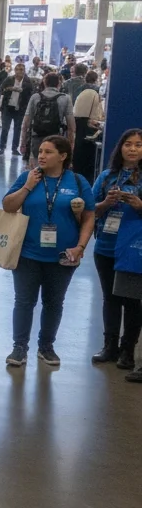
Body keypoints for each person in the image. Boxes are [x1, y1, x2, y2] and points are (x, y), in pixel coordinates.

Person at [1, 136, 95, 368]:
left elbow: (90, 216)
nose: (41, 156)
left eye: (48, 152)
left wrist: (80, 247)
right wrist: (27, 187)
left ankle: (47, 346)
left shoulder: (78, 182)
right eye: (40, 151)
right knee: (24, 301)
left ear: (63, 156)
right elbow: (8, 205)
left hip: (63, 256)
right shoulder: (28, 177)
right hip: (27, 254)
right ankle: (19, 346)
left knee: (54, 302)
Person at [90, 130, 142, 377]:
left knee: (132, 300)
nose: (132, 149)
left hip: (134, 250)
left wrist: (140, 205)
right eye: (128, 144)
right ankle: (109, 345)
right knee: (110, 298)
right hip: (106, 246)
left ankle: (127, 349)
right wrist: (105, 203)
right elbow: (90, 211)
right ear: (120, 147)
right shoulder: (106, 176)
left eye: (139, 145)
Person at [21, 73, 74, 170]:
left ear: (44, 83)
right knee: (54, 170)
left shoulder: (35, 97)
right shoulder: (65, 98)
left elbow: (26, 123)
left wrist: (23, 143)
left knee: (35, 171)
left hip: (36, 139)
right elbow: (71, 126)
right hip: (56, 139)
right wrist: (71, 146)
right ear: (59, 83)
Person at [73, 71, 105, 181]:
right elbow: (96, 113)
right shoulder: (95, 91)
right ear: (96, 79)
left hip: (78, 124)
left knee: (78, 153)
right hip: (89, 128)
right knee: (87, 157)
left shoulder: (79, 89)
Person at [0, 63, 32, 156]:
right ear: (15, 70)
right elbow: (1, 90)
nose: (20, 71)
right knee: (5, 128)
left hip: (20, 109)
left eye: (22, 69)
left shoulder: (27, 81)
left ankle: (14, 148)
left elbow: (31, 93)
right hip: (7, 108)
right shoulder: (9, 79)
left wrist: (22, 91)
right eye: (18, 69)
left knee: (17, 129)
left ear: (24, 71)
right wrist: (9, 89)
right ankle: (2, 147)